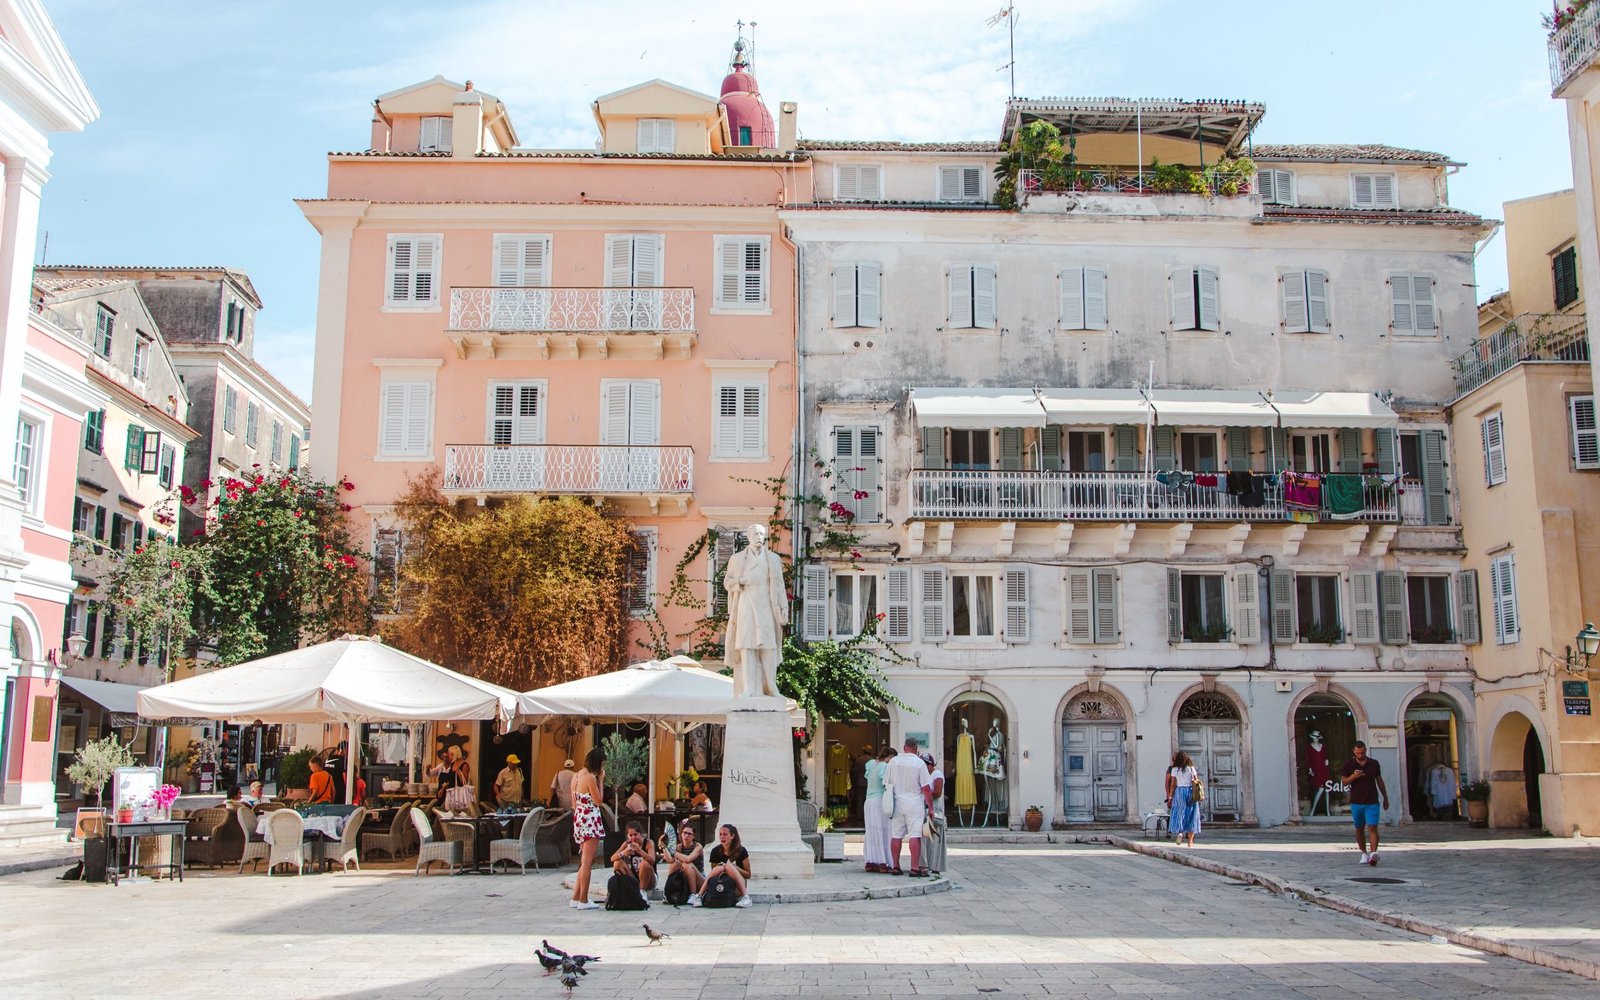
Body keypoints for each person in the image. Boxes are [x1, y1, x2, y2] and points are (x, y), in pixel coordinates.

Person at [722, 523, 787, 700]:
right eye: (756, 534)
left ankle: (771, 687)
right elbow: (727, 583)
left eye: (762, 534)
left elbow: (779, 586)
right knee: (747, 646)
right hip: (746, 606)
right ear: (749, 536)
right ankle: (750, 688)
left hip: (767, 606)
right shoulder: (737, 559)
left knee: (769, 647)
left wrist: (783, 607)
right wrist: (741, 581)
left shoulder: (773, 559)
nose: (760, 537)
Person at [884, 737, 934, 877]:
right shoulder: (919, 763)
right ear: (916, 748)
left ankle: (895, 866)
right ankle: (914, 868)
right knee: (915, 835)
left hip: (897, 803)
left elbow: (887, 784)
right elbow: (926, 788)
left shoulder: (894, 761)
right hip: (914, 804)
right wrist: (930, 807)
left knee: (896, 835)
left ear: (904, 747)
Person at [570, 747, 607, 910]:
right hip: (590, 819)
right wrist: (601, 781)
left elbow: (573, 802)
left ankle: (576, 897)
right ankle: (583, 900)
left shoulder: (576, 776)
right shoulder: (590, 777)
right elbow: (599, 800)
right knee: (587, 862)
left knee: (583, 861)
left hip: (579, 818)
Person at [1342, 740, 1390, 866]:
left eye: (1362, 752)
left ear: (1365, 750)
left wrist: (1385, 797)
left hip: (1372, 801)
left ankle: (1373, 854)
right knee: (1359, 828)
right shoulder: (1348, 765)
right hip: (1356, 802)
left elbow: (1379, 780)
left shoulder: (1373, 764)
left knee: (1372, 827)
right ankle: (1363, 853)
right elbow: (1344, 782)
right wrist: (1354, 776)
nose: (1360, 755)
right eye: (1358, 753)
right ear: (1354, 751)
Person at [695, 823, 752, 908]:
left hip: (737, 885)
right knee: (721, 867)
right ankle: (699, 896)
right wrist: (723, 868)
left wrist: (735, 868)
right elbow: (714, 873)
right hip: (722, 883)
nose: (722, 837)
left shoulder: (741, 851)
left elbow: (748, 875)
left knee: (728, 866)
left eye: (725, 834)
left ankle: (745, 897)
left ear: (732, 836)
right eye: (720, 834)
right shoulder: (715, 851)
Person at [862, 746, 895, 873]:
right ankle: (882, 861)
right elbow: (886, 783)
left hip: (869, 801)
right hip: (879, 801)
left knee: (871, 831)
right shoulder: (885, 767)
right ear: (890, 757)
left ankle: (871, 861)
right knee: (883, 830)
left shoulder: (870, 764)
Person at [1165, 750, 1201, 848]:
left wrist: (1170, 797)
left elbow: (1172, 785)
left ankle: (1180, 833)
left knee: (1180, 813)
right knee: (1192, 815)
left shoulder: (1175, 770)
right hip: (1190, 792)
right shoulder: (1191, 768)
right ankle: (1190, 841)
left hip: (1179, 792)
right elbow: (1196, 781)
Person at [610, 820, 658, 891]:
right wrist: (623, 853)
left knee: (644, 864)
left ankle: (642, 892)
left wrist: (639, 850)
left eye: (635, 834)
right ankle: (627, 888)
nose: (633, 838)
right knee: (617, 863)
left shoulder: (648, 843)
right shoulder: (627, 843)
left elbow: (652, 860)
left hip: (650, 878)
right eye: (630, 835)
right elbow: (612, 858)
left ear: (640, 834)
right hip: (635, 877)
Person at [921, 752, 947, 876]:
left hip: (934, 809)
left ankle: (935, 865)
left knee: (935, 838)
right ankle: (925, 864)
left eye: (926, 765)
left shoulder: (937, 774)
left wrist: (924, 792)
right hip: (924, 809)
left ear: (931, 765)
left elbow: (937, 792)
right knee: (925, 839)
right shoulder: (923, 775)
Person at [666, 820, 705, 898]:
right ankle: (669, 890)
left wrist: (673, 852)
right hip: (684, 878)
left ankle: (693, 895)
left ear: (694, 836)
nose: (686, 836)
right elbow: (669, 860)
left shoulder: (698, 847)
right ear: (681, 834)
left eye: (689, 834)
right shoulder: (678, 847)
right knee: (675, 864)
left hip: (699, 878)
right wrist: (664, 847)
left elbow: (688, 859)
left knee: (687, 865)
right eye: (684, 833)